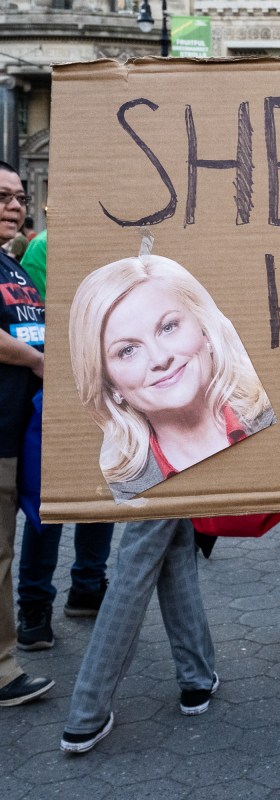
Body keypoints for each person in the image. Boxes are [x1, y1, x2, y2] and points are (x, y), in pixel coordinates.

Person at [68, 254, 275, 501]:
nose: (159, 358)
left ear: (205, 330)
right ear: (110, 384)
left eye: (168, 327)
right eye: (128, 350)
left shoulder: (276, 419)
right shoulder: (124, 490)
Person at [15, 226, 116, 652]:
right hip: (58, 388)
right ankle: (34, 606)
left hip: (110, 386)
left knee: (105, 489)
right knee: (49, 501)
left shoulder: (118, 240)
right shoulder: (44, 246)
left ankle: (87, 586)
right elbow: (34, 318)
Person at [59, 517, 219, 753]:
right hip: (155, 478)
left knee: (176, 537)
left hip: (155, 478)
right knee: (139, 556)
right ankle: (87, 712)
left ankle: (197, 676)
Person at [0, 161, 54, 707]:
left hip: (19, 434)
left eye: (18, 198)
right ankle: (1, 671)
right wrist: (38, 361)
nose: (14, 207)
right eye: (1, 197)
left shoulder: (13, 266)